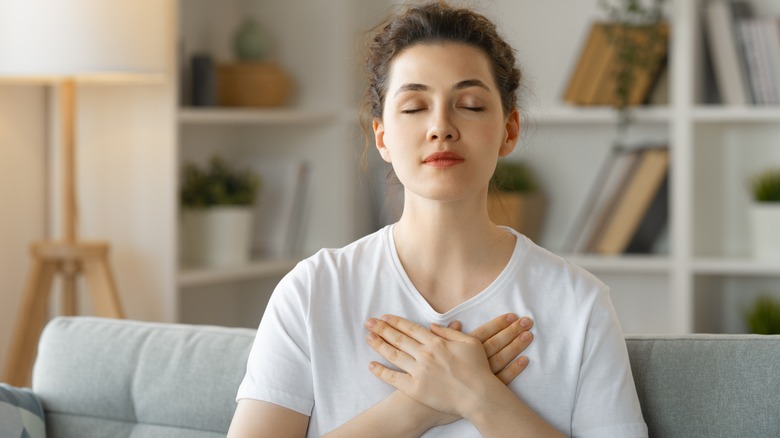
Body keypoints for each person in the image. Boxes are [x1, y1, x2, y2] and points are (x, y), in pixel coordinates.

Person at [227, 2, 647, 437]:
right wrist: (415, 406)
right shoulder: (313, 291)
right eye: (413, 107)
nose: (440, 126)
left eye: (469, 104)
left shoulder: (580, 306)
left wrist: (478, 396)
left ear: (510, 129)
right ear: (382, 136)